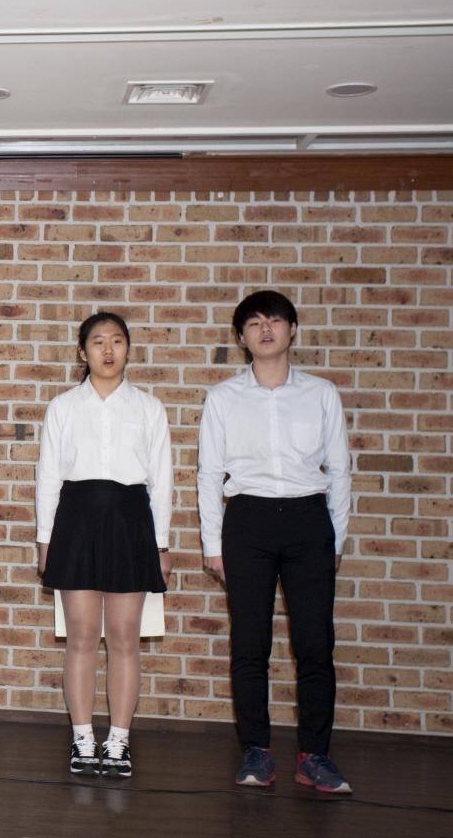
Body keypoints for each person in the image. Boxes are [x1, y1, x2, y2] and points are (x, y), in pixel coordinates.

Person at [198, 290, 353, 793]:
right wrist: (212, 544)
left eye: (275, 320)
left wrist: (336, 539)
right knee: (250, 644)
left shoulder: (321, 393)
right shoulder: (223, 397)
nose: (265, 329)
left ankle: (315, 755)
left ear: (292, 329)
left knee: (315, 645)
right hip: (248, 521)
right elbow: (208, 474)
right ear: (242, 337)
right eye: (254, 323)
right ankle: (256, 750)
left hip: (309, 521)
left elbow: (340, 470)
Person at [35, 312, 172, 777]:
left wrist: (161, 544)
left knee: (124, 638)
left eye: (117, 341)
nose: (108, 350)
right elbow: (48, 477)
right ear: (83, 351)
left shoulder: (149, 407)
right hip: (75, 523)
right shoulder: (63, 407)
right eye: (98, 341)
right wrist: (45, 539)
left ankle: (118, 740)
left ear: (128, 349)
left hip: (131, 524)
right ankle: (82, 738)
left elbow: (162, 482)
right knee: (80, 637)